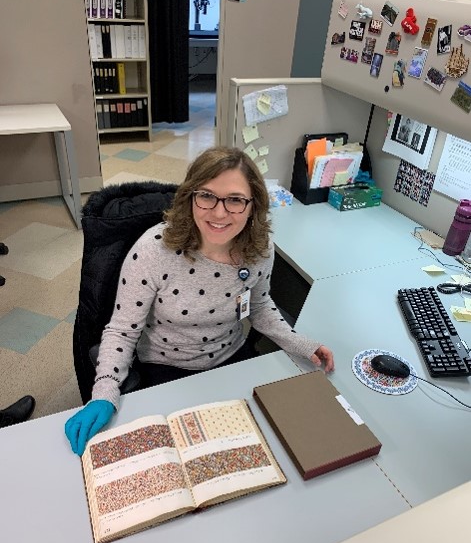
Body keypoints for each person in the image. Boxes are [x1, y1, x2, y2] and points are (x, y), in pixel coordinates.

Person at [65, 146, 334, 455]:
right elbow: (122, 331)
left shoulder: (259, 250)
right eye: (206, 196)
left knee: (269, 445)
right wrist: (104, 391)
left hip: (230, 358)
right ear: (190, 198)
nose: (219, 213)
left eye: (235, 200)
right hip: (166, 367)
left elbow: (259, 307)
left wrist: (299, 343)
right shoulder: (155, 251)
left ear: (252, 205)